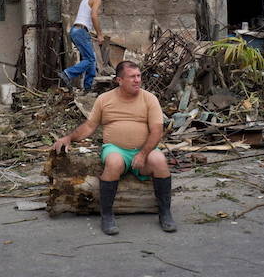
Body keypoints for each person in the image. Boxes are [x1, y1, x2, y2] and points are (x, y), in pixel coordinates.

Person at [54, 61, 177, 235]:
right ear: (119, 80)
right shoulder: (105, 99)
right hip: (116, 149)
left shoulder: (149, 98)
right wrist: (69, 138)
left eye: (139, 76)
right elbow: (90, 126)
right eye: (132, 77)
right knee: (113, 162)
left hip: (144, 149)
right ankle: (107, 216)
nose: (137, 80)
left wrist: (143, 154)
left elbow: (157, 131)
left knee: (160, 161)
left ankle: (165, 213)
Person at [58, 0, 115, 91]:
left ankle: (88, 87)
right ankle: (67, 73)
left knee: (91, 59)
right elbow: (94, 16)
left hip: (77, 30)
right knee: (89, 59)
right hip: (81, 31)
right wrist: (99, 34)